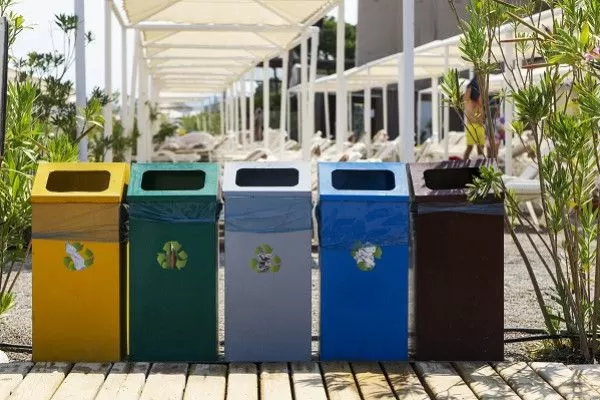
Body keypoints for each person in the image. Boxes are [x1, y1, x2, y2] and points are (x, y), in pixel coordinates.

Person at [463, 76, 485, 159]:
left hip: (480, 126)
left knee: (481, 148)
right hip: (471, 126)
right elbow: (468, 91)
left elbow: (481, 94)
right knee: (470, 147)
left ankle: (480, 164)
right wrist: (472, 85)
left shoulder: (479, 102)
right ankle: (464, 163)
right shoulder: (468, 101)